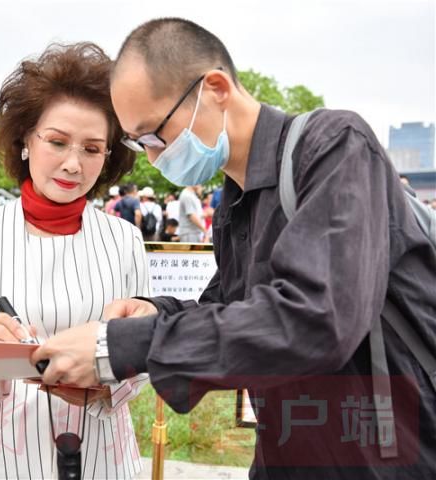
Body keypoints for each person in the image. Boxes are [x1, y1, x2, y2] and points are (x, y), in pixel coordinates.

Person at [32, 18, 436, 479]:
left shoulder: (335, 148)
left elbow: (318, 318)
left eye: (156, 134)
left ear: (216, 88)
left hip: (387, 456)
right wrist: (154, 313)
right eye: (137, 142)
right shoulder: (236, 201)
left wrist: (116, 346)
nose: (153, 156)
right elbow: (229, 312)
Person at [0, 42, 149, 479]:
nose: (72, 163)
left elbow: (146, 346)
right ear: (26, 139)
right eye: (57, 142)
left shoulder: (124, 239)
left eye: (92, 149)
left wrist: (107, 382)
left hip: (100, 453)